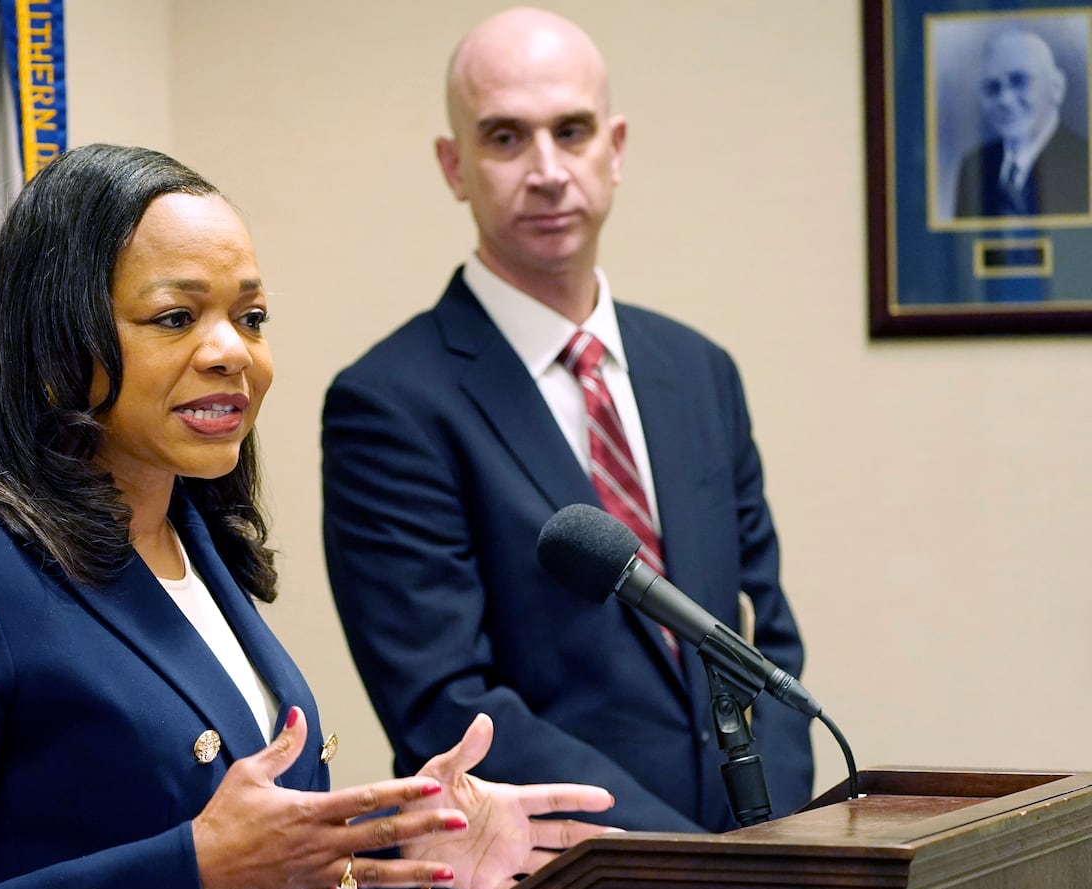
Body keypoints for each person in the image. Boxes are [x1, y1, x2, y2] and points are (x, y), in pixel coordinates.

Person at [0, 142, 618, 889]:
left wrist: (421, 858)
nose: (232, 352)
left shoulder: (196, 545)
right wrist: (187, 873)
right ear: (54, 341)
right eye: (175, 316)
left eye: (252, 316)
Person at [321, 8, 814, 838]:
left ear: (614, 148)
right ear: (455, 165)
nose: (547, 170)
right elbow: (446, 703)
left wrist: (769, 845)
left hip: (757, 875)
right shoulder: (389, 403)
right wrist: (682, 868)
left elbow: (769, 644)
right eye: (506, 137)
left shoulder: (700, 372)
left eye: (572, 131)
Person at [952, 27, 1090, 218]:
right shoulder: (974, 167)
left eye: (1020, 81)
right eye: (993, 87)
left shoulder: (1085, 160)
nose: (1005, 100)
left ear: (1056, 87)